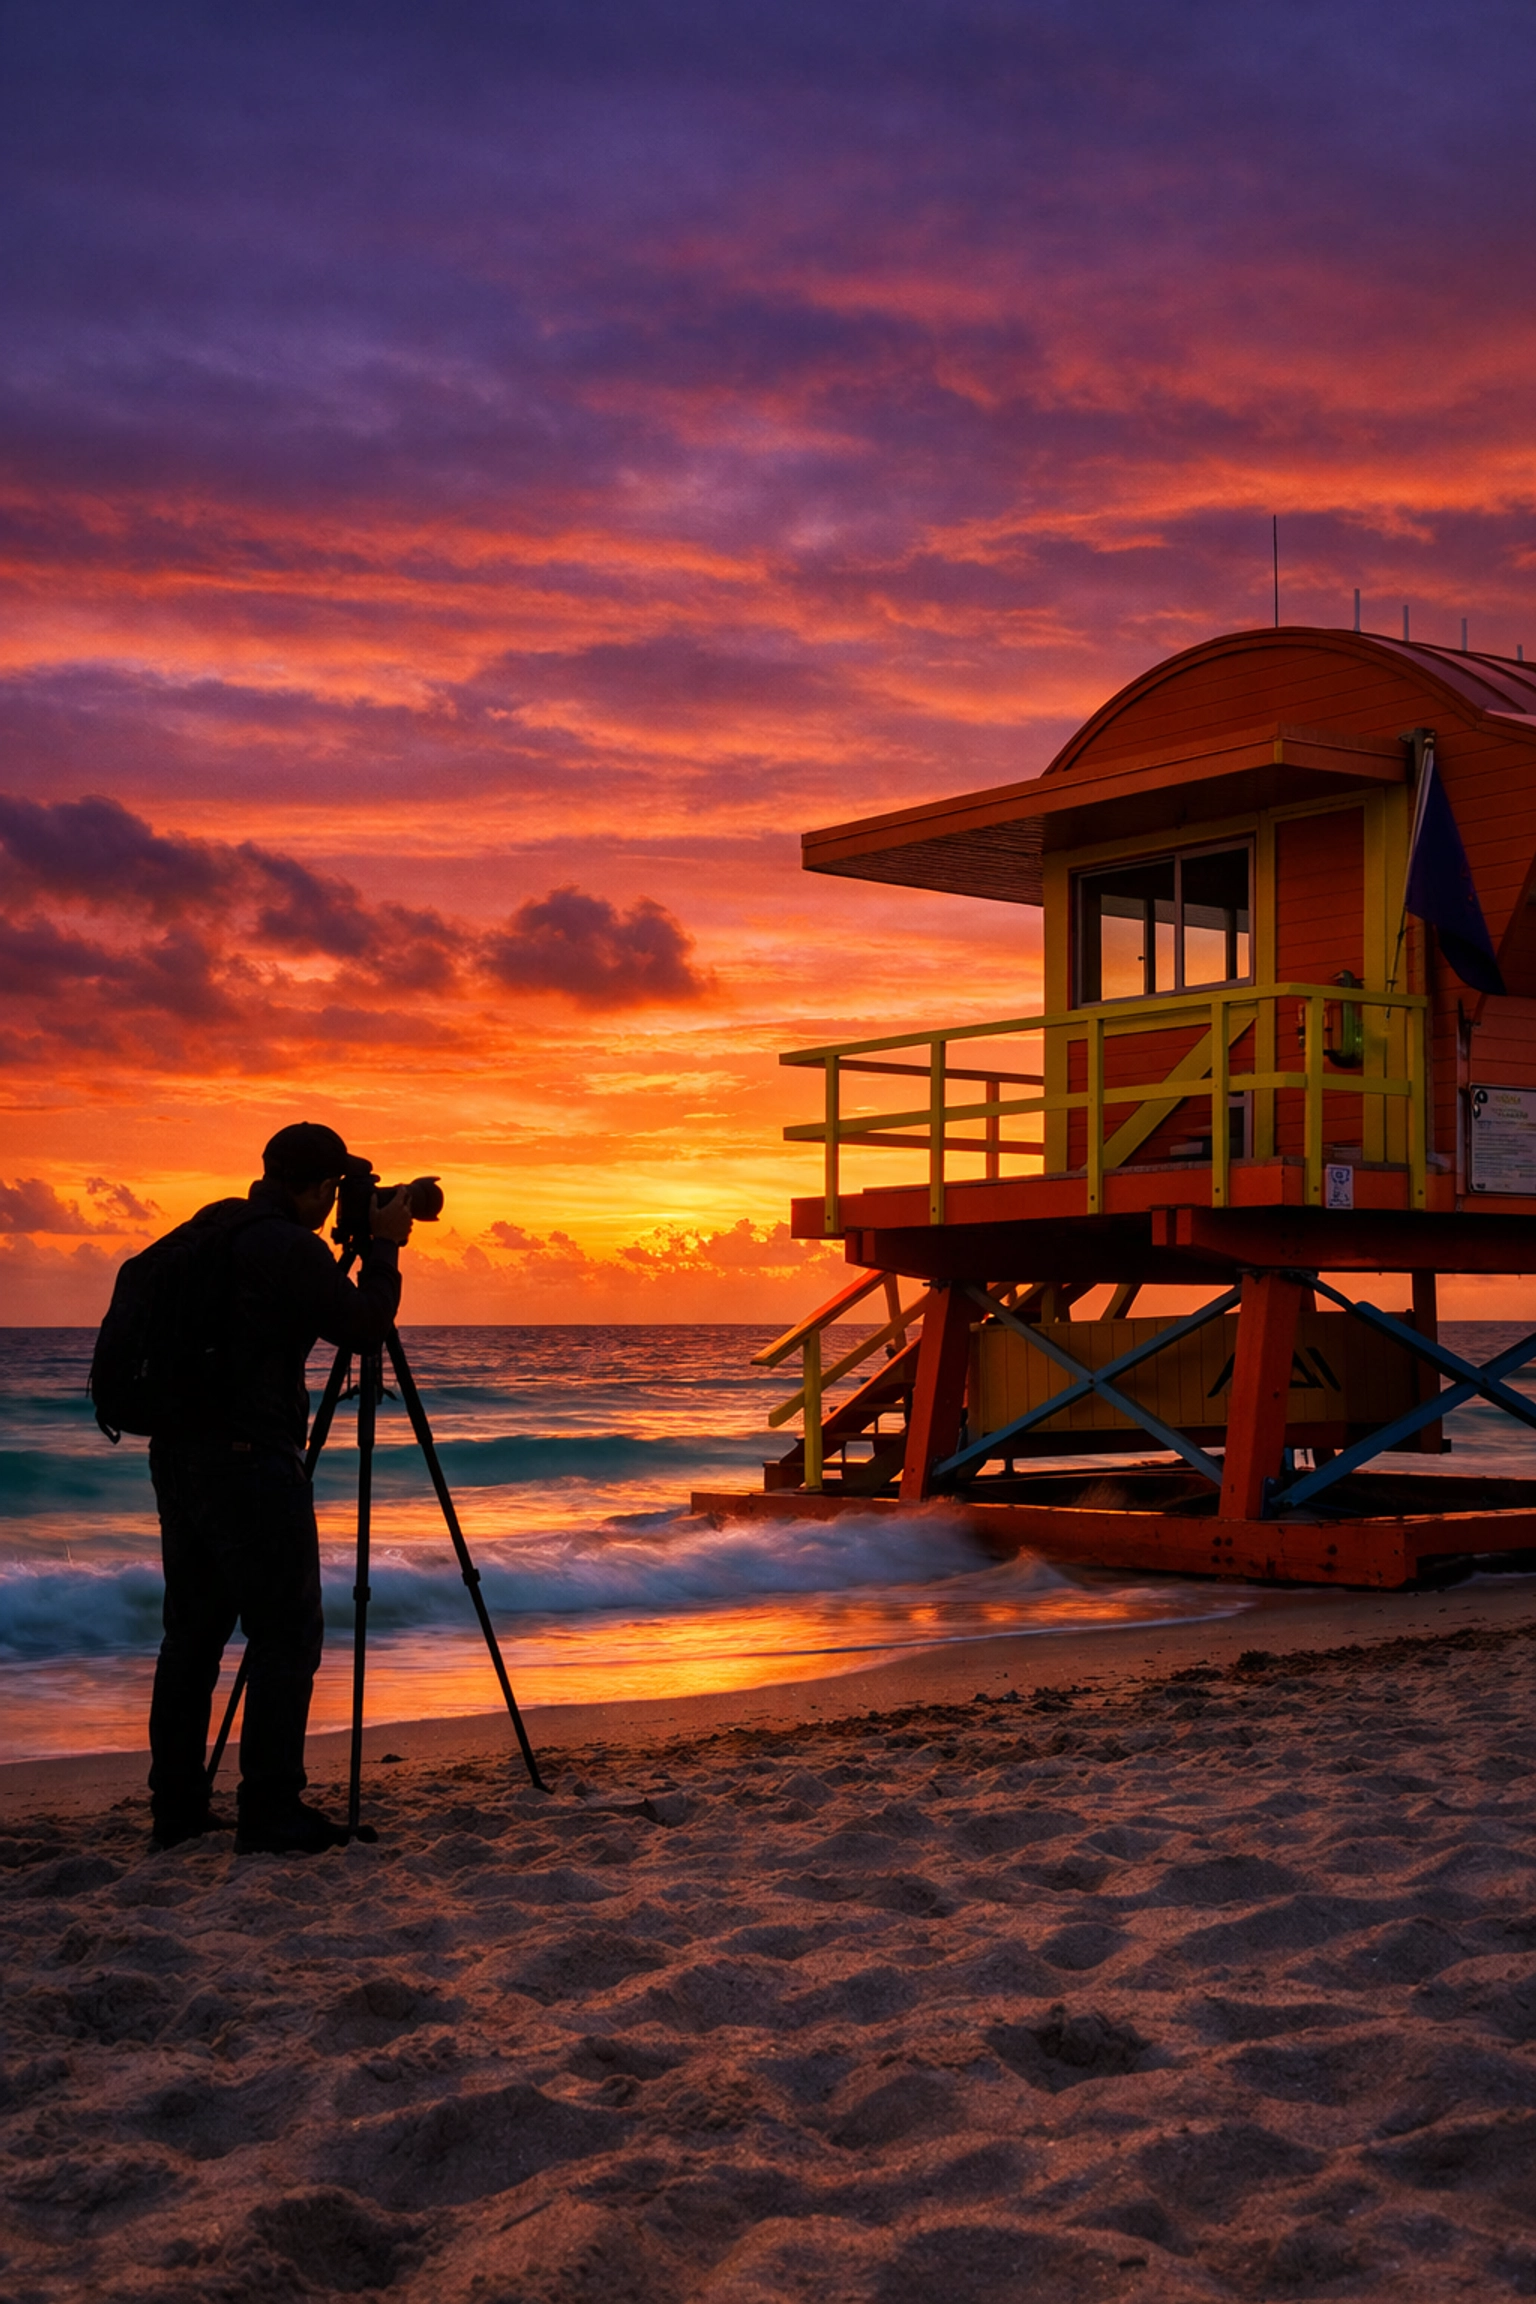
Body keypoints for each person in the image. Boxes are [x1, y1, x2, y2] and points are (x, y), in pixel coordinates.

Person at [146, 1122, 413, 1855]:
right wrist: (384, 1249)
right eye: (336, 1190)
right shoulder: (289, 1246)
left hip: (179, 1456)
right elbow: (363, 1328)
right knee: (286, 1634)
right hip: (249, 1462)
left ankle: (176, 1809)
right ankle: (268, 1810)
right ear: (322, 1189)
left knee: (192, 1638)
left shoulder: (217, 1226)